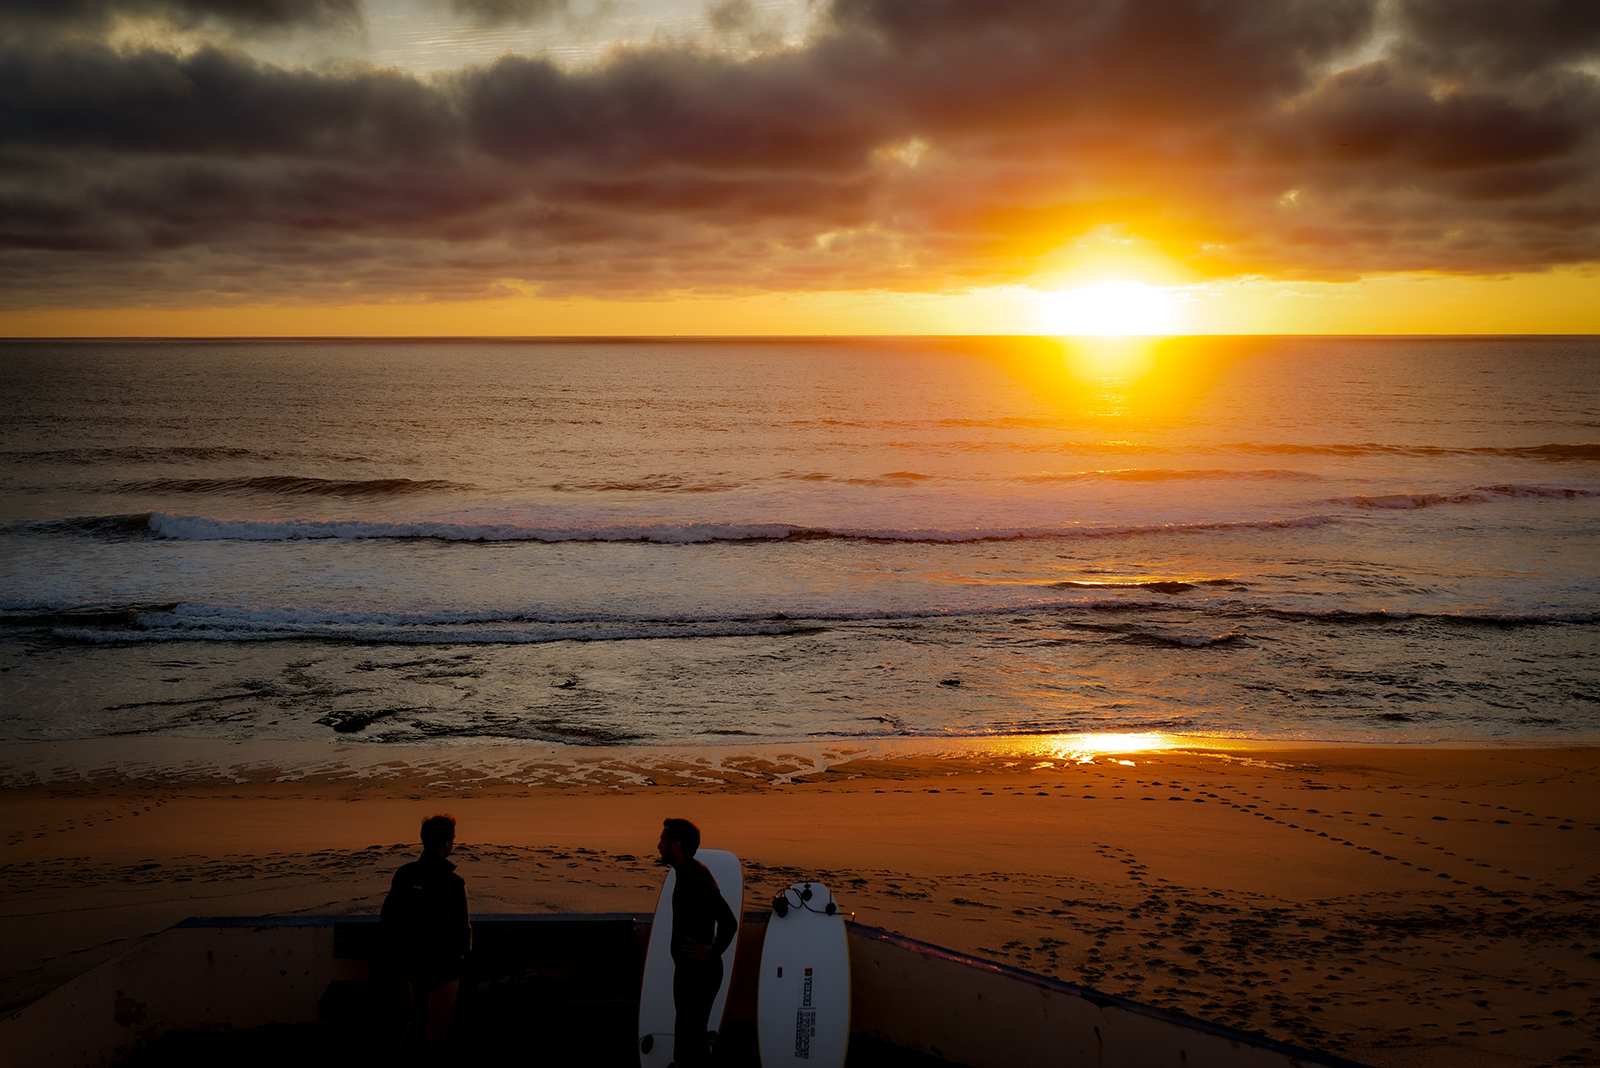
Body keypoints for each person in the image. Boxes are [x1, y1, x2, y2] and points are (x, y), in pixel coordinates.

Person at [382, 813, 471, 1064]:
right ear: (446, 843)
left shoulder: (405, 874)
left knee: (416, 1022)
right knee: (437, 1037)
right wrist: (463, 958)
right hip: (444, 966)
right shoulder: (453, 882)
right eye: (452, 839)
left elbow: (388, 917)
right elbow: (462, 930)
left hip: (415, 961)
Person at [658, 818, 738, 1068]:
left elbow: (729, 922)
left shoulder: (696, 876)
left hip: (700, 973)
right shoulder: (683, 873)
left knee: (691, 1041)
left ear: (677, 846)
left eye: (663, 840)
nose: (658, 845)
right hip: (688, 971)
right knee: (688, 1036)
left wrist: (710, 953)